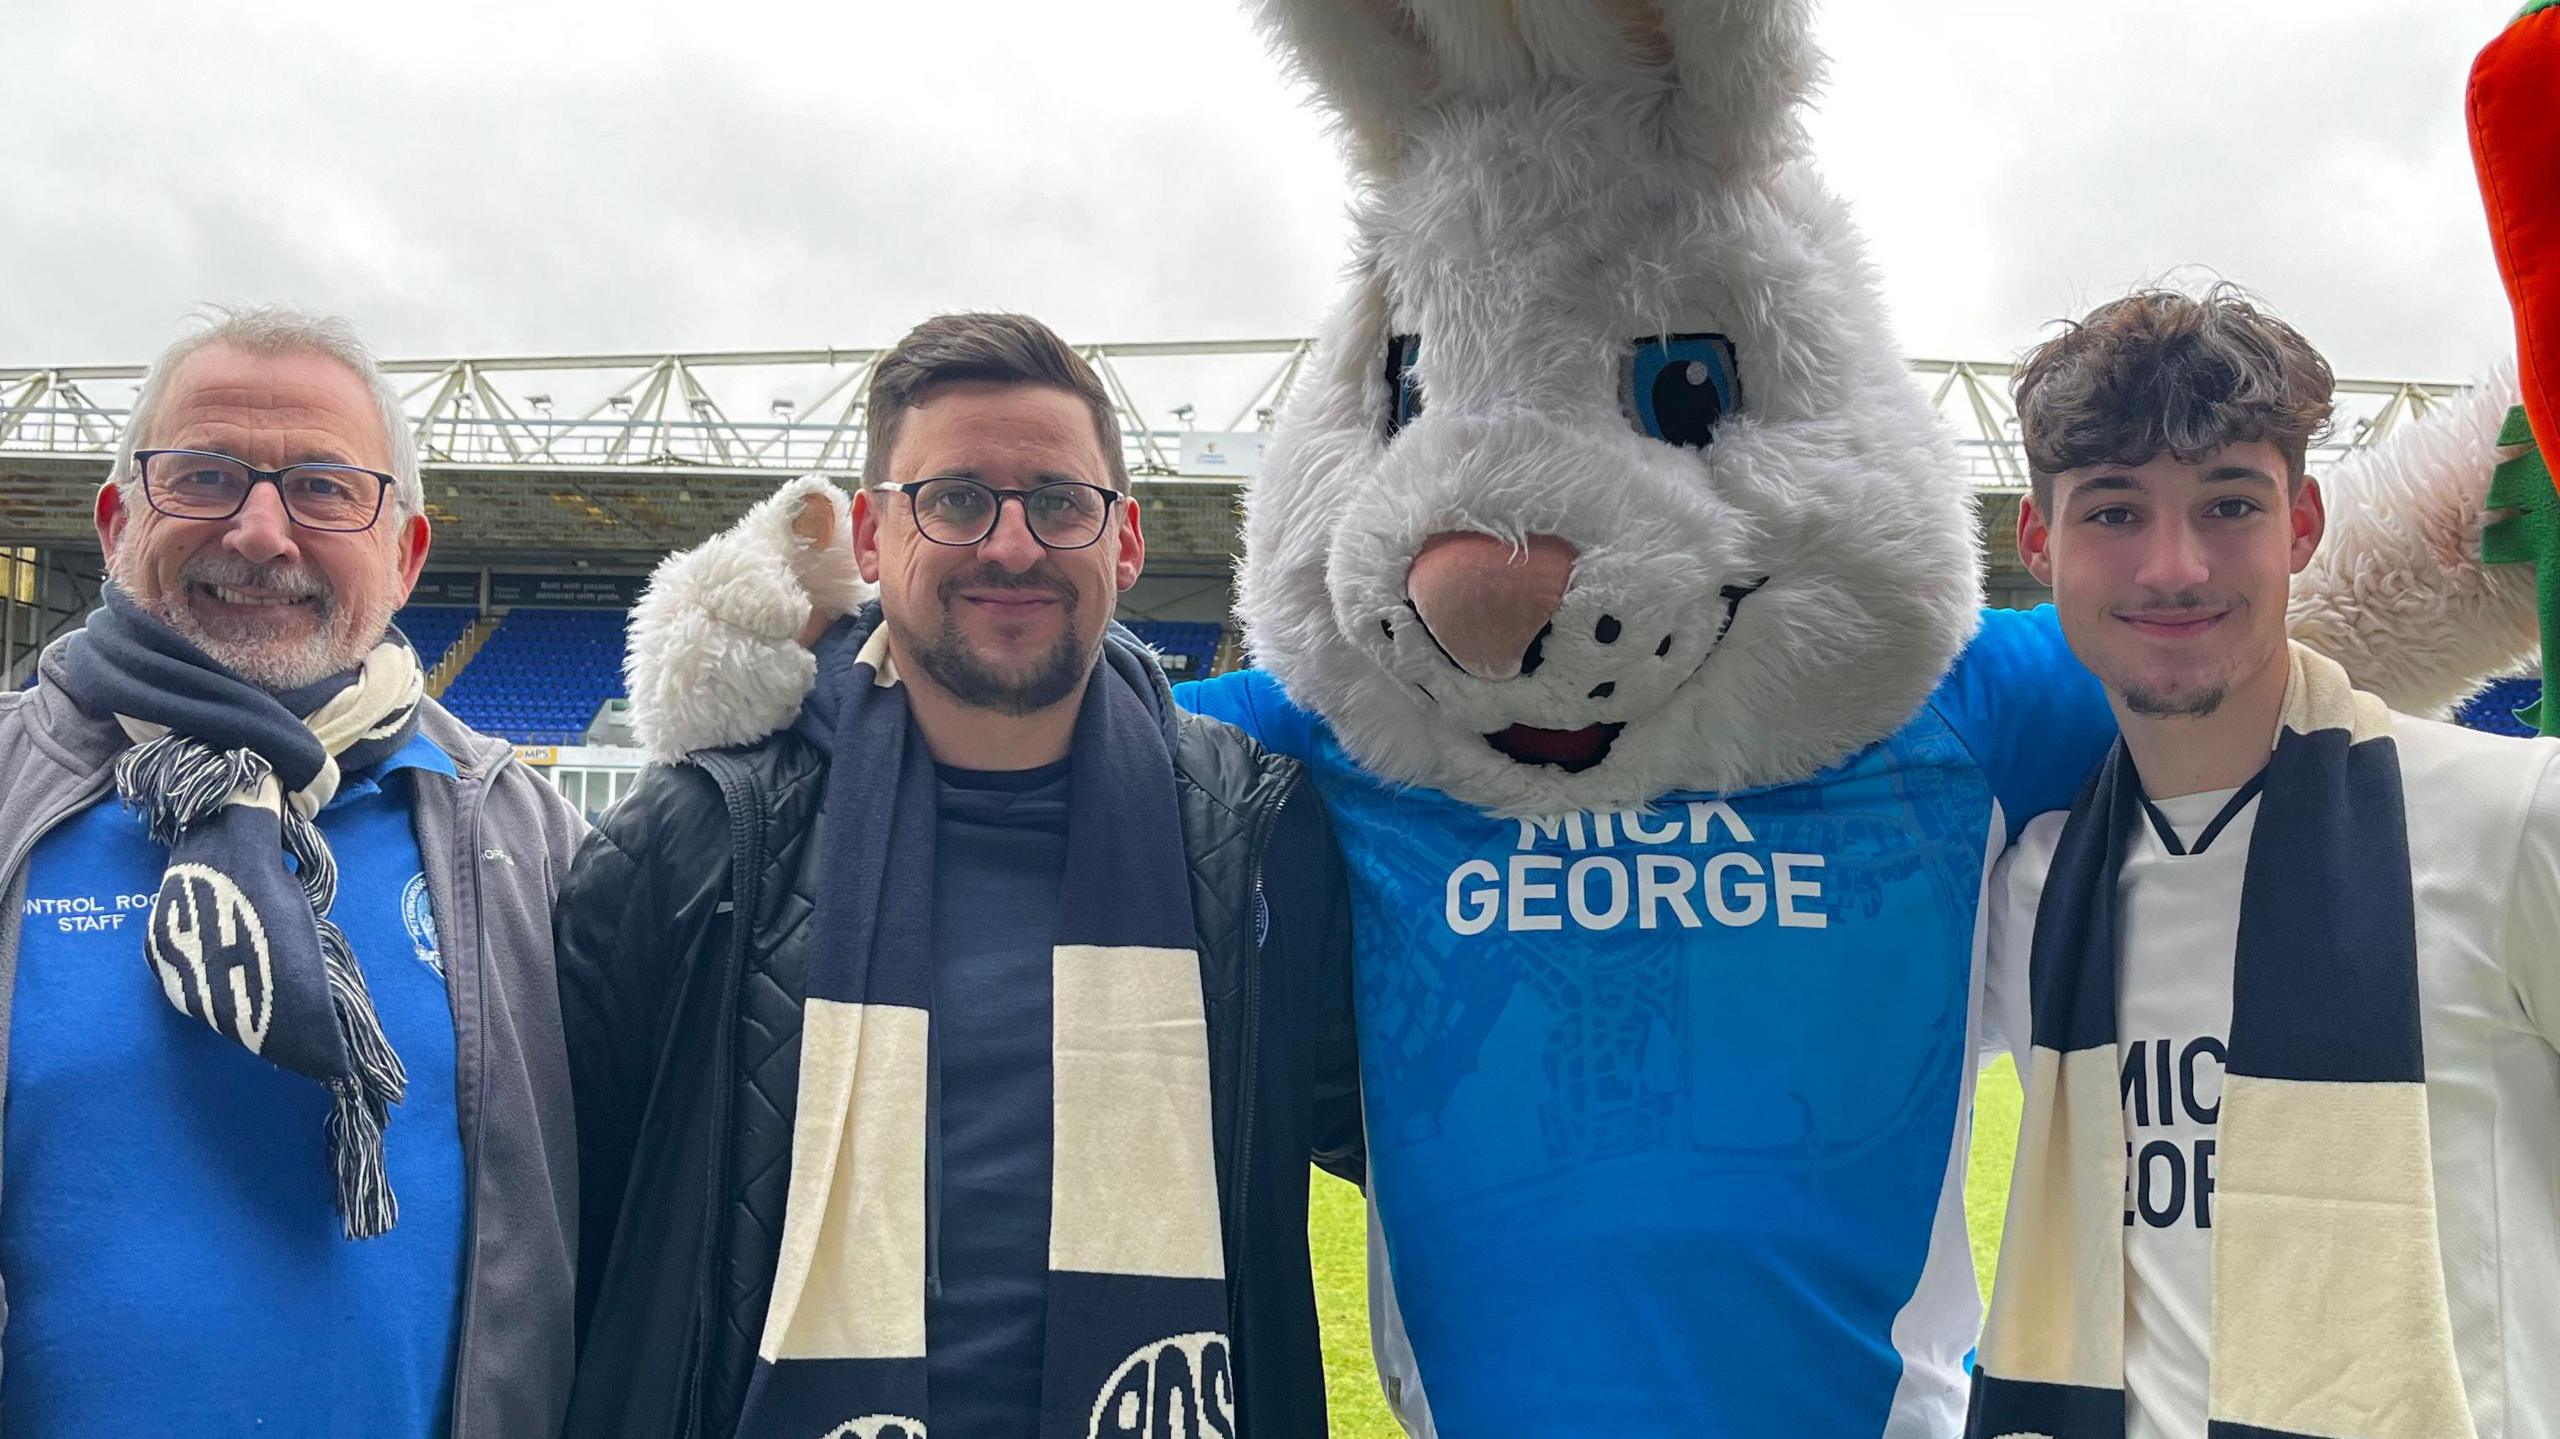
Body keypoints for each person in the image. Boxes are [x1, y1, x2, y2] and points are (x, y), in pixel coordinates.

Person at [555, 312, 1361, 1439]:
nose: (1012, 546)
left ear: (1123, 540)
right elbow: (552, 1216)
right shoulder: (696, 841)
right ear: (875, 537)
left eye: (1058, 501)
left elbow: (1401, 1134)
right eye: (957, 499)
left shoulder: (1260, 837)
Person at [1973, 288, 2560, 1439]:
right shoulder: (2038, 890)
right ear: (2039, 545)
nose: (2174, 566)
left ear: (2300, 523)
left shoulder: (2511, 816)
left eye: (2228, 503)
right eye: (2113, 512)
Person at [0, 306, 588, 1437]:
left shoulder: (523, 841)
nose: (262, 531)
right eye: (206, 475)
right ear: (119, 519)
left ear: (407, 553)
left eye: (324, 487)